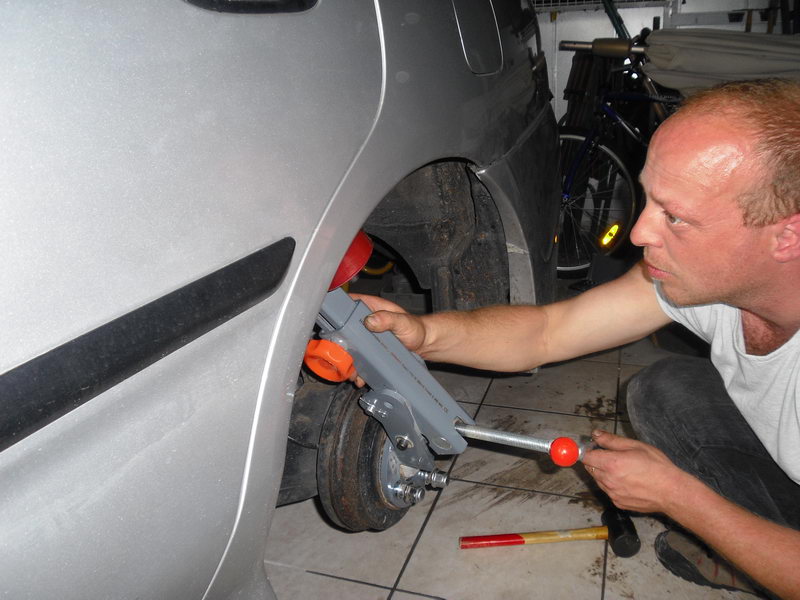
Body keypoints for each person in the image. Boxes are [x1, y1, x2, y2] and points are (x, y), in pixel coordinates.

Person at [355, 78, 800, 599]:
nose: (638, 233)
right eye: (649, 199)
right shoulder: (703, 283)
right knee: (664, 393)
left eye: (675, 217)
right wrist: (425, 334)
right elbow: (549, 332)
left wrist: (681, 498)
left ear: (787, 236)